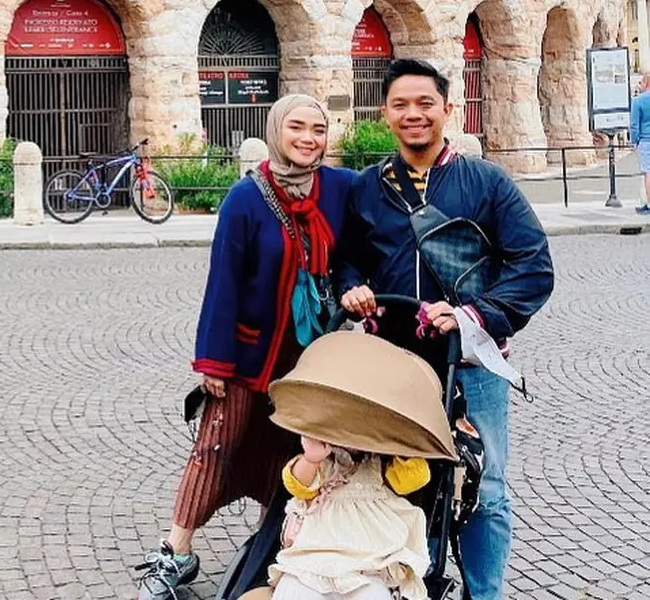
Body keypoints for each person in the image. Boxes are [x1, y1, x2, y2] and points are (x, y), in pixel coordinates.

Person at [336, 59, 554, 600]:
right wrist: (354, 288)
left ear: (447, 109)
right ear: (384, 113)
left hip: (474, 362)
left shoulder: (486, 183)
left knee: (487, 486)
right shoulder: (366, 189)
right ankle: (416, 584)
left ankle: (484, 594)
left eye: (425, 103)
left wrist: (471, 314)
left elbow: (533, 267)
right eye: (401, 105)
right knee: (406, 480)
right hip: (395, 367)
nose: (414, 115)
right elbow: (346, 260)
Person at [135, 95, 357, 600]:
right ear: (277, 130)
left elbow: (357, 249)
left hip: (307, 362)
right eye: (297, 127)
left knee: (289, 451)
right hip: (247, 357)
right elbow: (225, 283)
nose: (308, 138)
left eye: (318, 129)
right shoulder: (246, 197)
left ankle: (271, 550)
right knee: (215, 447)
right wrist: (214, 360)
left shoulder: (339, 189)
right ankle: (177, 551)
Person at [269, 437, 431, 600]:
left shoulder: (379, 463)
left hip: (369, 561)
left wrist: (400, 445)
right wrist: (311, 458)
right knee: (295, 589)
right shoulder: (326, 458)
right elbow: (298, 485)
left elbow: (414, 478)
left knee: (373, 593)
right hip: (316, 553)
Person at [630, 74, 650, 215]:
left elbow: (634, 125)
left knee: (648, 172)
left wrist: (634, 141)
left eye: (641, 82)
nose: (639, 85)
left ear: (646, 83)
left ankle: (649, 204)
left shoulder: (638, 101)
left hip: (645, 140)